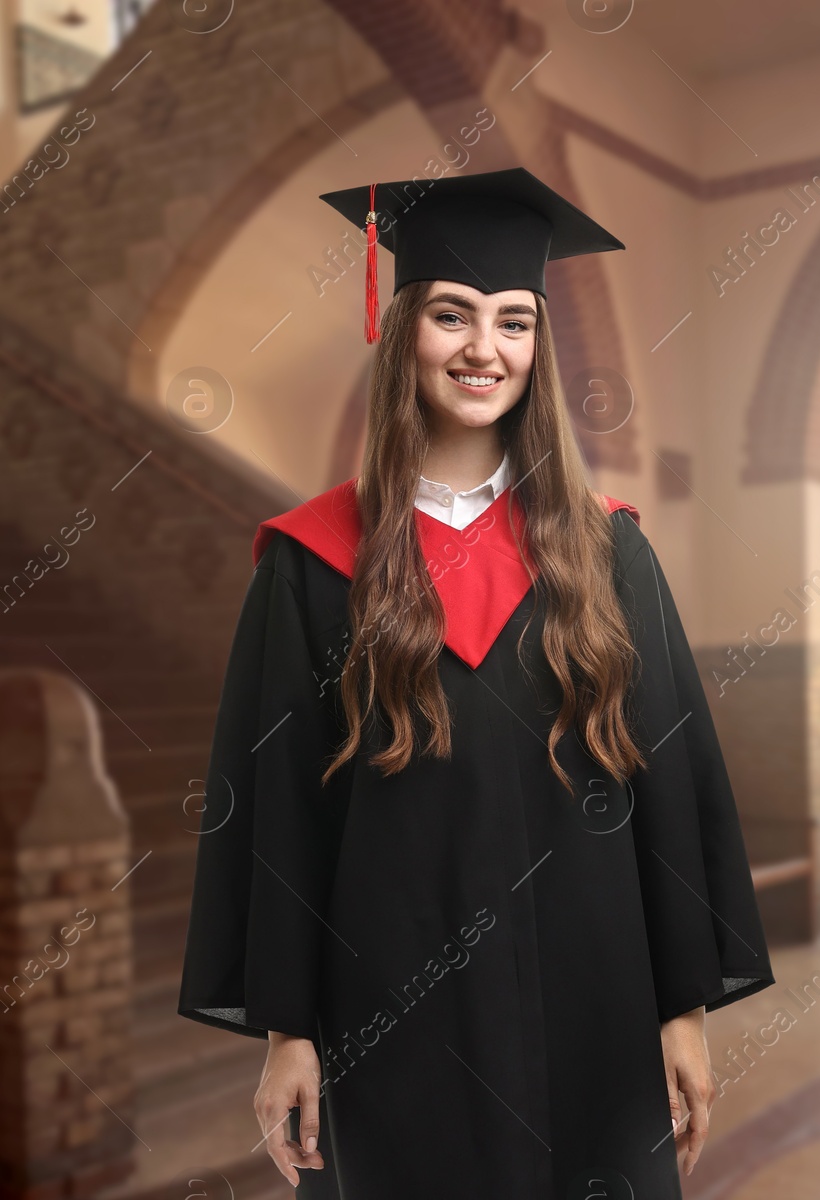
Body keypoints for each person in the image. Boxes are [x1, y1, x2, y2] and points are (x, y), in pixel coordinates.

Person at [177, 167, 775, 1198]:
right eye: (451, 315)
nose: (483, 350)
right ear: (402, 326)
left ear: (540, 347)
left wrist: (680, 1009)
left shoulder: (606, 554)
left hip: (594, 990)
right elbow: (281, 812)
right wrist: (289, 1032)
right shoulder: (314, 562)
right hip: (386, 1003)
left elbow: (668, 790)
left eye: (514, 322)